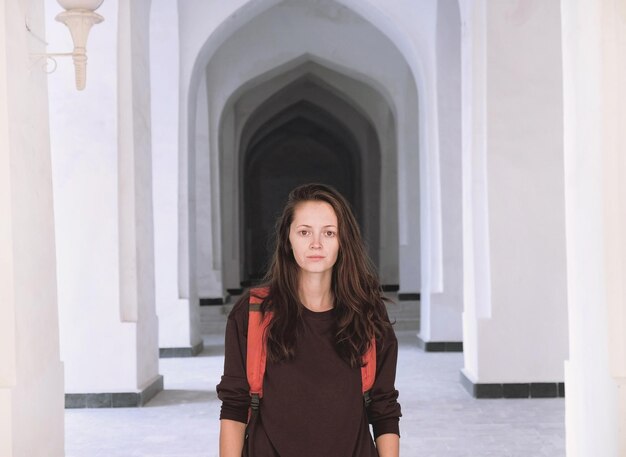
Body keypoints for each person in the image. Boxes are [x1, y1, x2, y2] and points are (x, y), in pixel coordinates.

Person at [216, 183, 401, 457]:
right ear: (288, 240)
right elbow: (234, 405)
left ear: (343, 240)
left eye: (329, 233)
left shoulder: (369, 314)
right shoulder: (253, 313)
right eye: (304, 232)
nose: (316, 243)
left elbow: (383, 409)